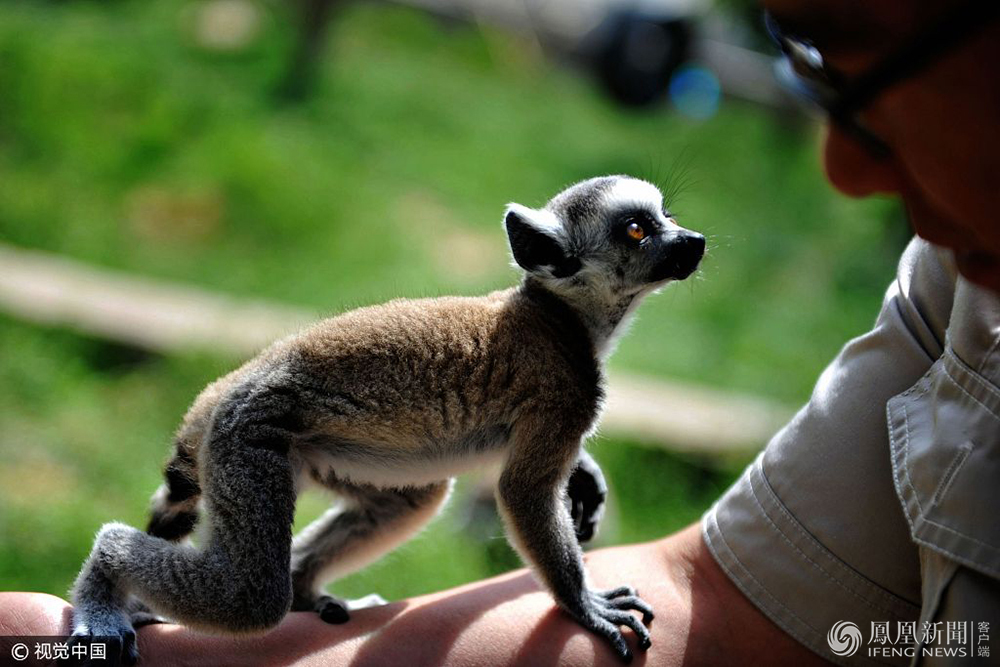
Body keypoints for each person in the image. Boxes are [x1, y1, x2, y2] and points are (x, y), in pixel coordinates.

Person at [2, 0, 998, 664]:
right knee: (244, 599)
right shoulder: (555, 362)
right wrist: (582, 602)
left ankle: (298, 581)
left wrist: (564, 492)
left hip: (330, 426)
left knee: (423, 491)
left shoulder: (542, 356)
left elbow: (526, 470)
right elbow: (528, 485)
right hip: (266, 425)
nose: (674, 245)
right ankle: (121, 564)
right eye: (638, 236)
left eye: (662, 226)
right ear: (555, 262)